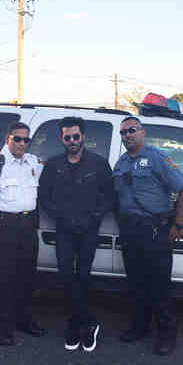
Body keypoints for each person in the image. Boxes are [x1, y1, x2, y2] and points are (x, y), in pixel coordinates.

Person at [113, 116, 183, 356]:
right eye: (123, 132)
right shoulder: (121, 163)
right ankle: (140, 327)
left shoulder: (157, 159)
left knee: (159, 285)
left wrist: (178, 224)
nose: (127, 135)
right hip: (130, 230)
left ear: (142, 132)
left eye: (132, 130)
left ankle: (167, 333)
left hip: (156, 230)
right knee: (136, 283)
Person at [38, 116, 114, 352]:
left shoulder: (99, 164)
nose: (72, 140)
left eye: (76, 136)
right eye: (67, 137)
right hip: (64, 229)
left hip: (89, 229)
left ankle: (77, 323)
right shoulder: (53, 165)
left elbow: (109, 195)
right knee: (65, 275)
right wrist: (60, 216)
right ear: (62, 138)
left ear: (83, 137)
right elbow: (44, 196)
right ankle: (85, 322)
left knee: (83, 275)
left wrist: (94, 217)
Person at [0, 122, 45, 346]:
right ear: (8, 139)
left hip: (28, 225)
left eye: (26, 140)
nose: (22, 143)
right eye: (18, 139)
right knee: (6, 279)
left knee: (28, 277)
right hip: (5, 227)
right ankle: (5, 328)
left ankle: (24, 320)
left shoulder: (33, 162)